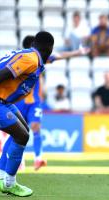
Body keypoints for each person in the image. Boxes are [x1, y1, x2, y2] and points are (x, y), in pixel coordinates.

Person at [0, 31, 54, 197]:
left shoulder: (30, 56)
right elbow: (2, 74)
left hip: (2, 101)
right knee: (21, 136)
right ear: (49, 49)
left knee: (24, 131)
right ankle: (9, 183)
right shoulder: (31, 59)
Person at [15, 35, 89, 171]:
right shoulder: (20, 59)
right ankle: (20, 160)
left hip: (34, 102)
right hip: (19, 101)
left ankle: (38, 158)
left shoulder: (40, 58)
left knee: (36, 127)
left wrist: (78, 52)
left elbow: (60, 55)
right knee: (19, 132)